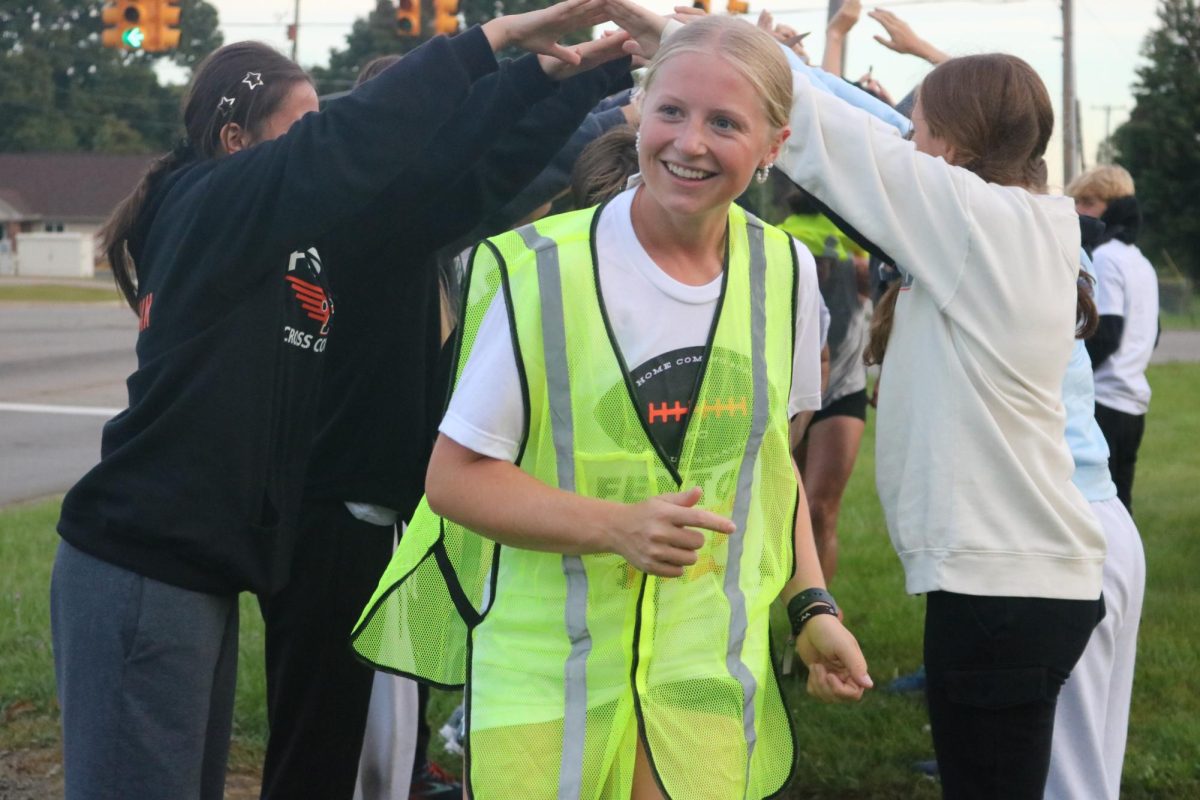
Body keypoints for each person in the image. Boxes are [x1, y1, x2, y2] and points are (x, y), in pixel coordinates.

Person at [48, 4, 623, 798]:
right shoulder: (204, 208)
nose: (323, 143)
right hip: (139, 563)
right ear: (234, 142)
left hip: (199, 575)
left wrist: (557, 76)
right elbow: (357, 140)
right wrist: (488, 43)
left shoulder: (301, 241)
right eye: (302, 128)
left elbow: (452, 170)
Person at [353, 15, 871, 800]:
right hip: (552, 686)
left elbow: (770, 472)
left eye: (724, 122)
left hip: (699, 683)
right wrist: (616, 528)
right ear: (640, 113)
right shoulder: (544, 271)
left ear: (773, 145)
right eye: (671, 111)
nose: (689, 142)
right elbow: (454, 481)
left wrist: (810, 607)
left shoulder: (786, 273)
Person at [601, 7, 1108, 796]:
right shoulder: (1018, 225)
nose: (908, 144)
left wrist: (694, 39)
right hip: (1021, 582)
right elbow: (865, 130)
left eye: (920, 131)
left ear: (954, 144)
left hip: (1006, 588)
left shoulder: (982, 227)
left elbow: (840, 139)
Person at [259, 41, 636, 800]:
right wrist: (608, 84)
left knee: (380, 752)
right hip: (338, 527)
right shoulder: (372, 222)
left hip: (370, 518)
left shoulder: (402, 228)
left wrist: (606, 78)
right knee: (323, 749)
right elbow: (514, 161)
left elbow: (510, 155)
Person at [1043, 250, 1146, 800]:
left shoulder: (993, 224)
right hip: (1096, 511)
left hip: (1061, 527)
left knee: (1067, 780)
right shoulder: (1061, 235)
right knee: (1087, 772)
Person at [778, 190, 869, 582]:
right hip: (793, 388)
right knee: (792, 509)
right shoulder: (777, 238)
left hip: (845, 383)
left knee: (819, 509)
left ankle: (817, 614)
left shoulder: (855, 236)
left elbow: (876, 286)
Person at [1066, 165, 1158, 510]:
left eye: (1088, 202)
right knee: (1121, 505)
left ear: (1115, 206)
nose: (1077, 210)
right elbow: (1155, 332)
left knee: (1094, 511)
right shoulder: (1140, 261)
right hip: (1133, 401)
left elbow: (1107, 334)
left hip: (1104, 400)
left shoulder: (1104, 258)